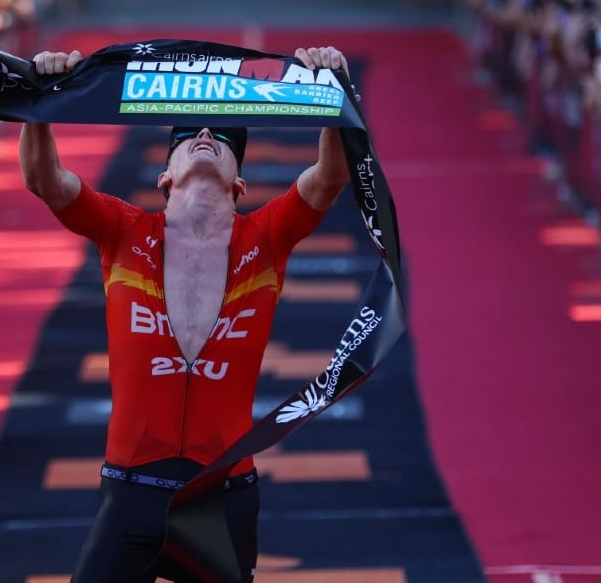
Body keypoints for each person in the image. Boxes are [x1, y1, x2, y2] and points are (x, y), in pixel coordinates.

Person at [19, 46, 353, 582]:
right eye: (186, 136)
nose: (205, 137)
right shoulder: (124, 230)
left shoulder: (267, 237)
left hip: (221, 497)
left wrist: (331, 92)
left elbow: (330, 177)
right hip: (131, 489)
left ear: (240, 184)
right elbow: (45, 180)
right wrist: (39, 99)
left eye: (223, 138)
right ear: (164, 177)